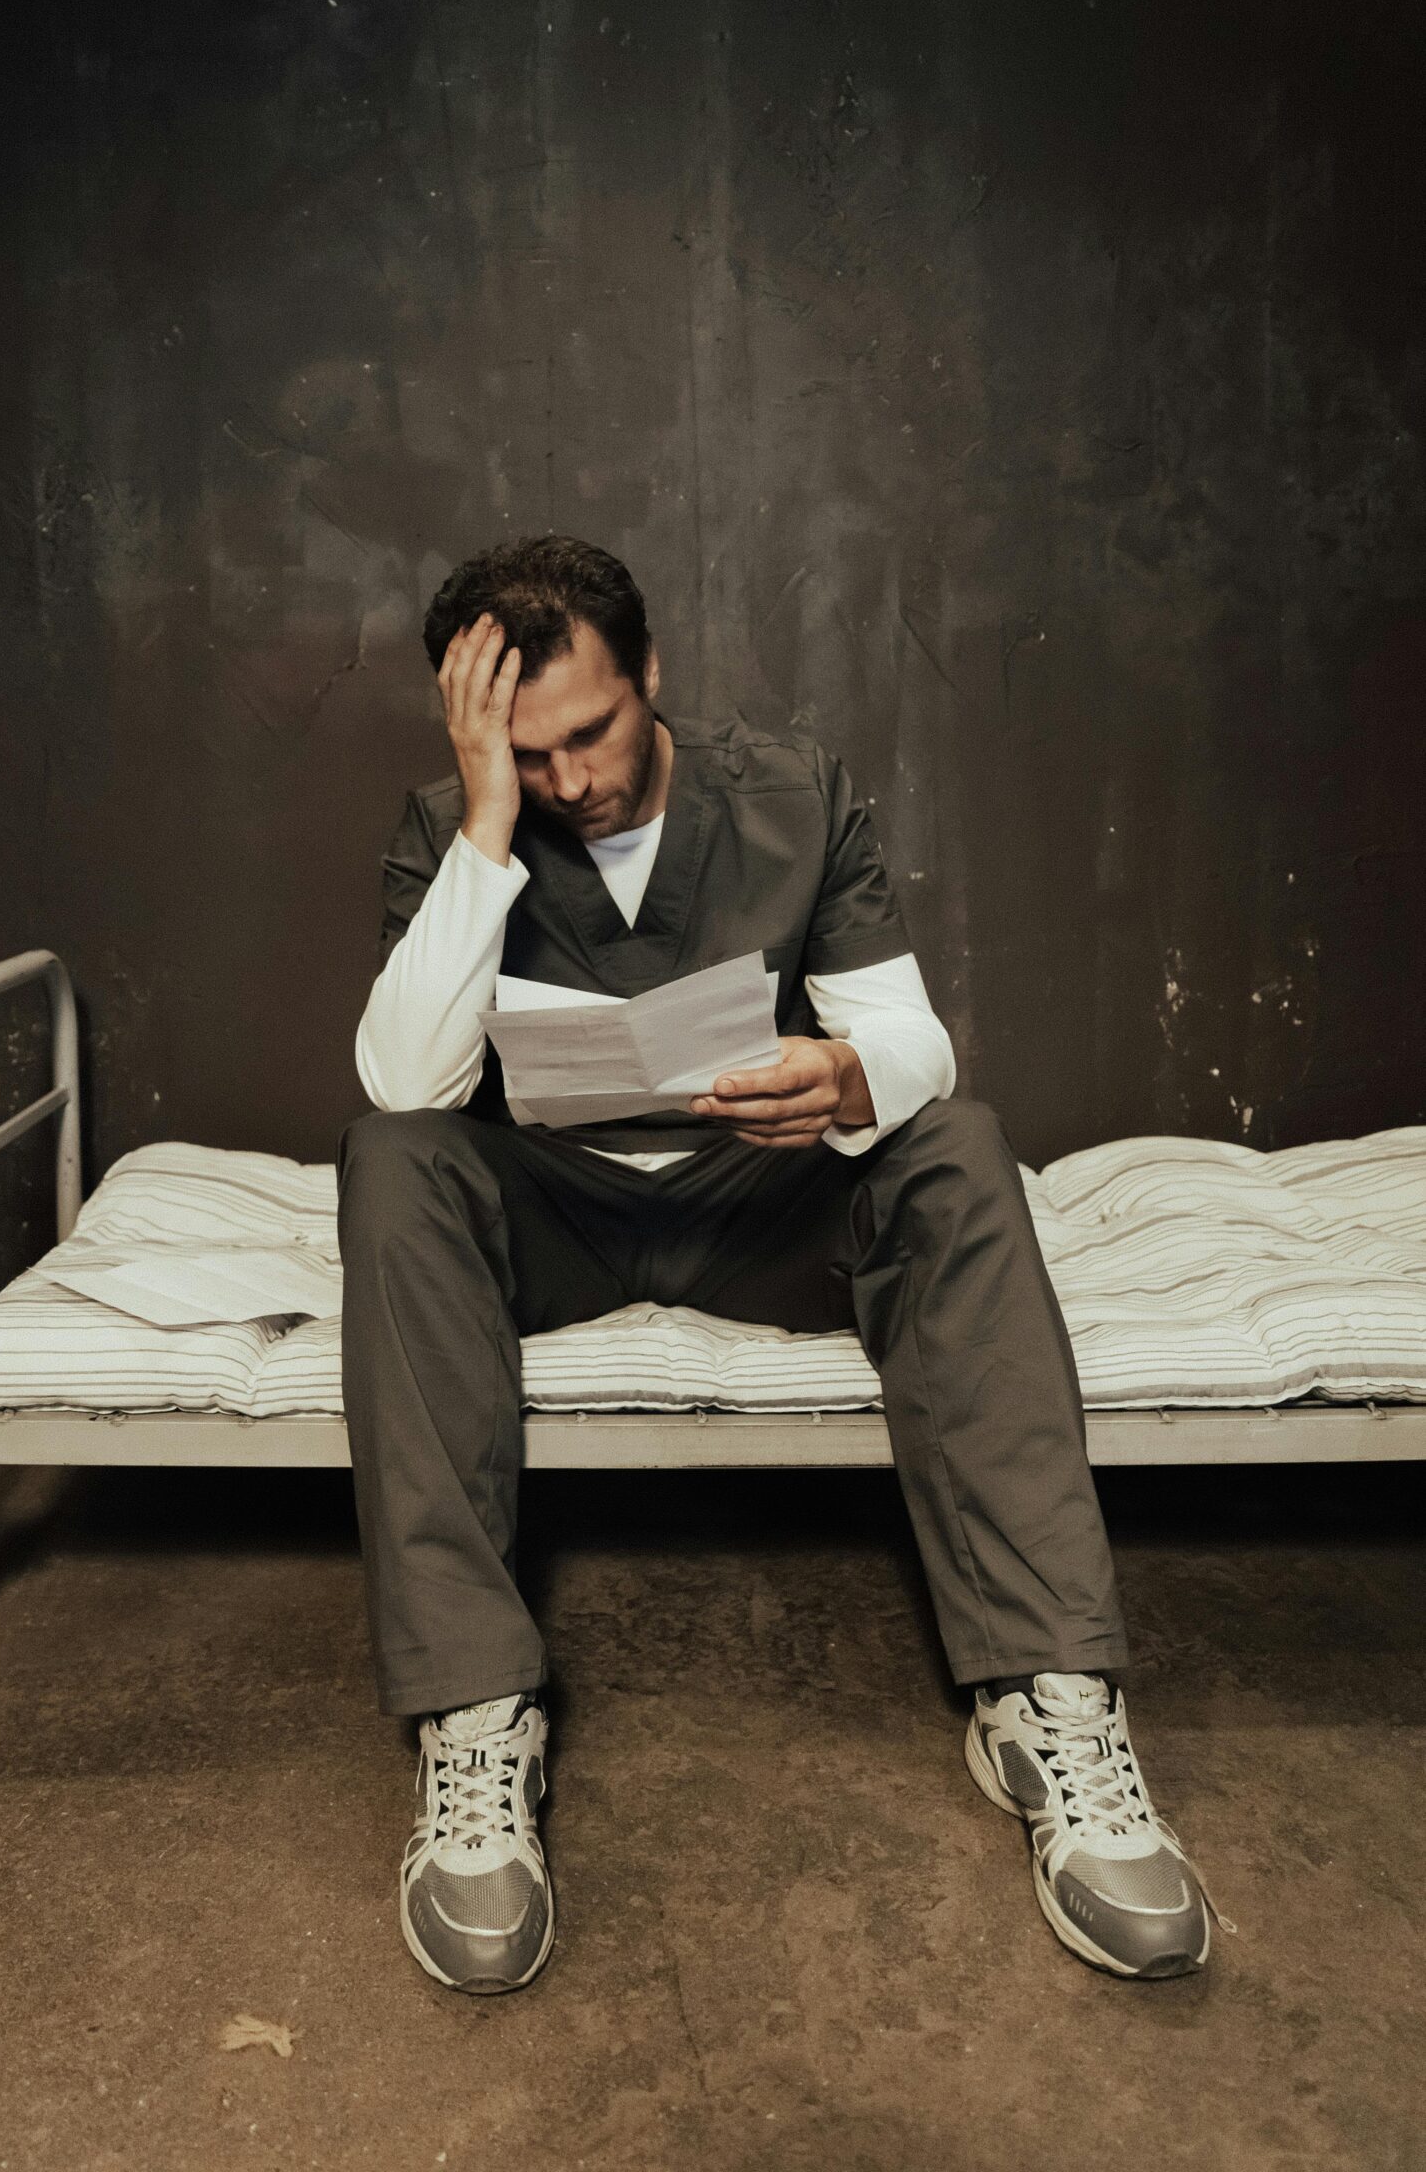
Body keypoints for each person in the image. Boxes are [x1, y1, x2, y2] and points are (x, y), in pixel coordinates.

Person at [339, 534, 1219, 1996]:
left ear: (654, 675)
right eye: (529, 753)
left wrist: (847, 1071)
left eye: (594, 732)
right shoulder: (452, 828)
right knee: (394, 1162)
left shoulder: (796, 793)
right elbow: (406, 1085)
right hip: (554, 1214)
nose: (574, 780)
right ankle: (478, 1723)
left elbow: (917, 1038)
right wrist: (488, 825)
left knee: (954, 1141)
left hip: (761, 1198)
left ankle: (1046, 1703)